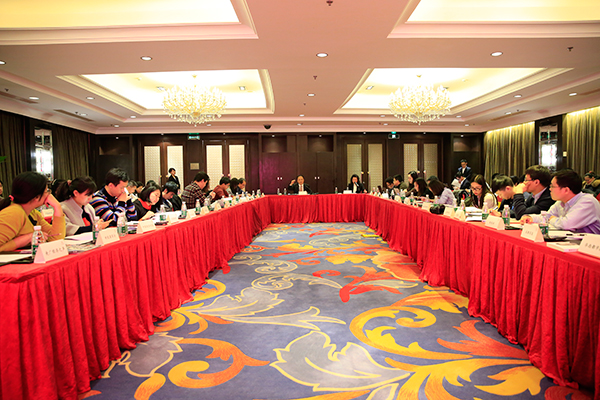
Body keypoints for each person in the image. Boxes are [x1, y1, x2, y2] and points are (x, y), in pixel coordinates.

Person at [0, 171, 66, 252]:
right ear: (37, 197)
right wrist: (23, 240)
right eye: (47, 191)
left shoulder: (33, 213)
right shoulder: (13, 213)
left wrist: (57, 207)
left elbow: (56, 238)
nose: (49, 195)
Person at [521, 169, 600, 234]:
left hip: (590, 245)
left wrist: (551, 219)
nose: (550, 189)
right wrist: (531, 218)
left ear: (566, 190)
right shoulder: (561, 202)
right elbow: (547, 216)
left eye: (552, 186)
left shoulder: (587, 201)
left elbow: (566, 224)